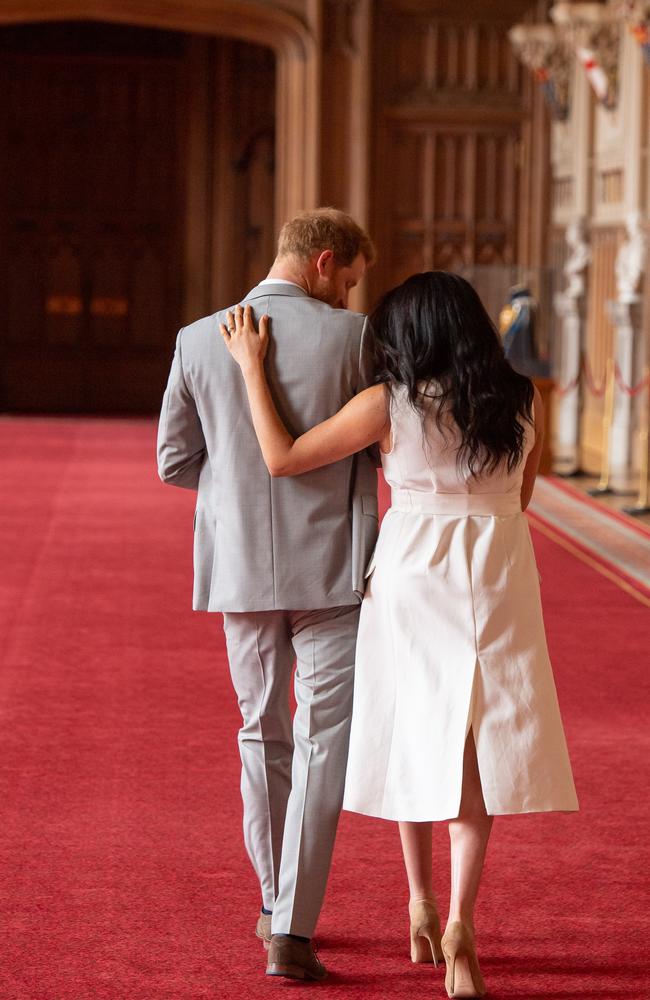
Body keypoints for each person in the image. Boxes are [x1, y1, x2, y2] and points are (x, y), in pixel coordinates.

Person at [221, 270, 579, 999]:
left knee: (418, 735)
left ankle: (417, 901)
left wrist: (253, 369)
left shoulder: (392, 403)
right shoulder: (521, 400)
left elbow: (283, 457)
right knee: (478, 749)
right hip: (499, 569)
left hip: (415, 571)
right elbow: (522, 499)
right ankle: (456, 922)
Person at [157, 208, 379, 982]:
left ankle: (269, 897)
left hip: (241, 569)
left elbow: (172, 462)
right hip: (335, 571)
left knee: (261, 731)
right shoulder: (356, 342)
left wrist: (234, 487)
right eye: (350, 279)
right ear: (324, 261)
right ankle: (292, 925)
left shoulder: (196, 339)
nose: (352, 294)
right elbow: (385, 444)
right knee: (322, 746)